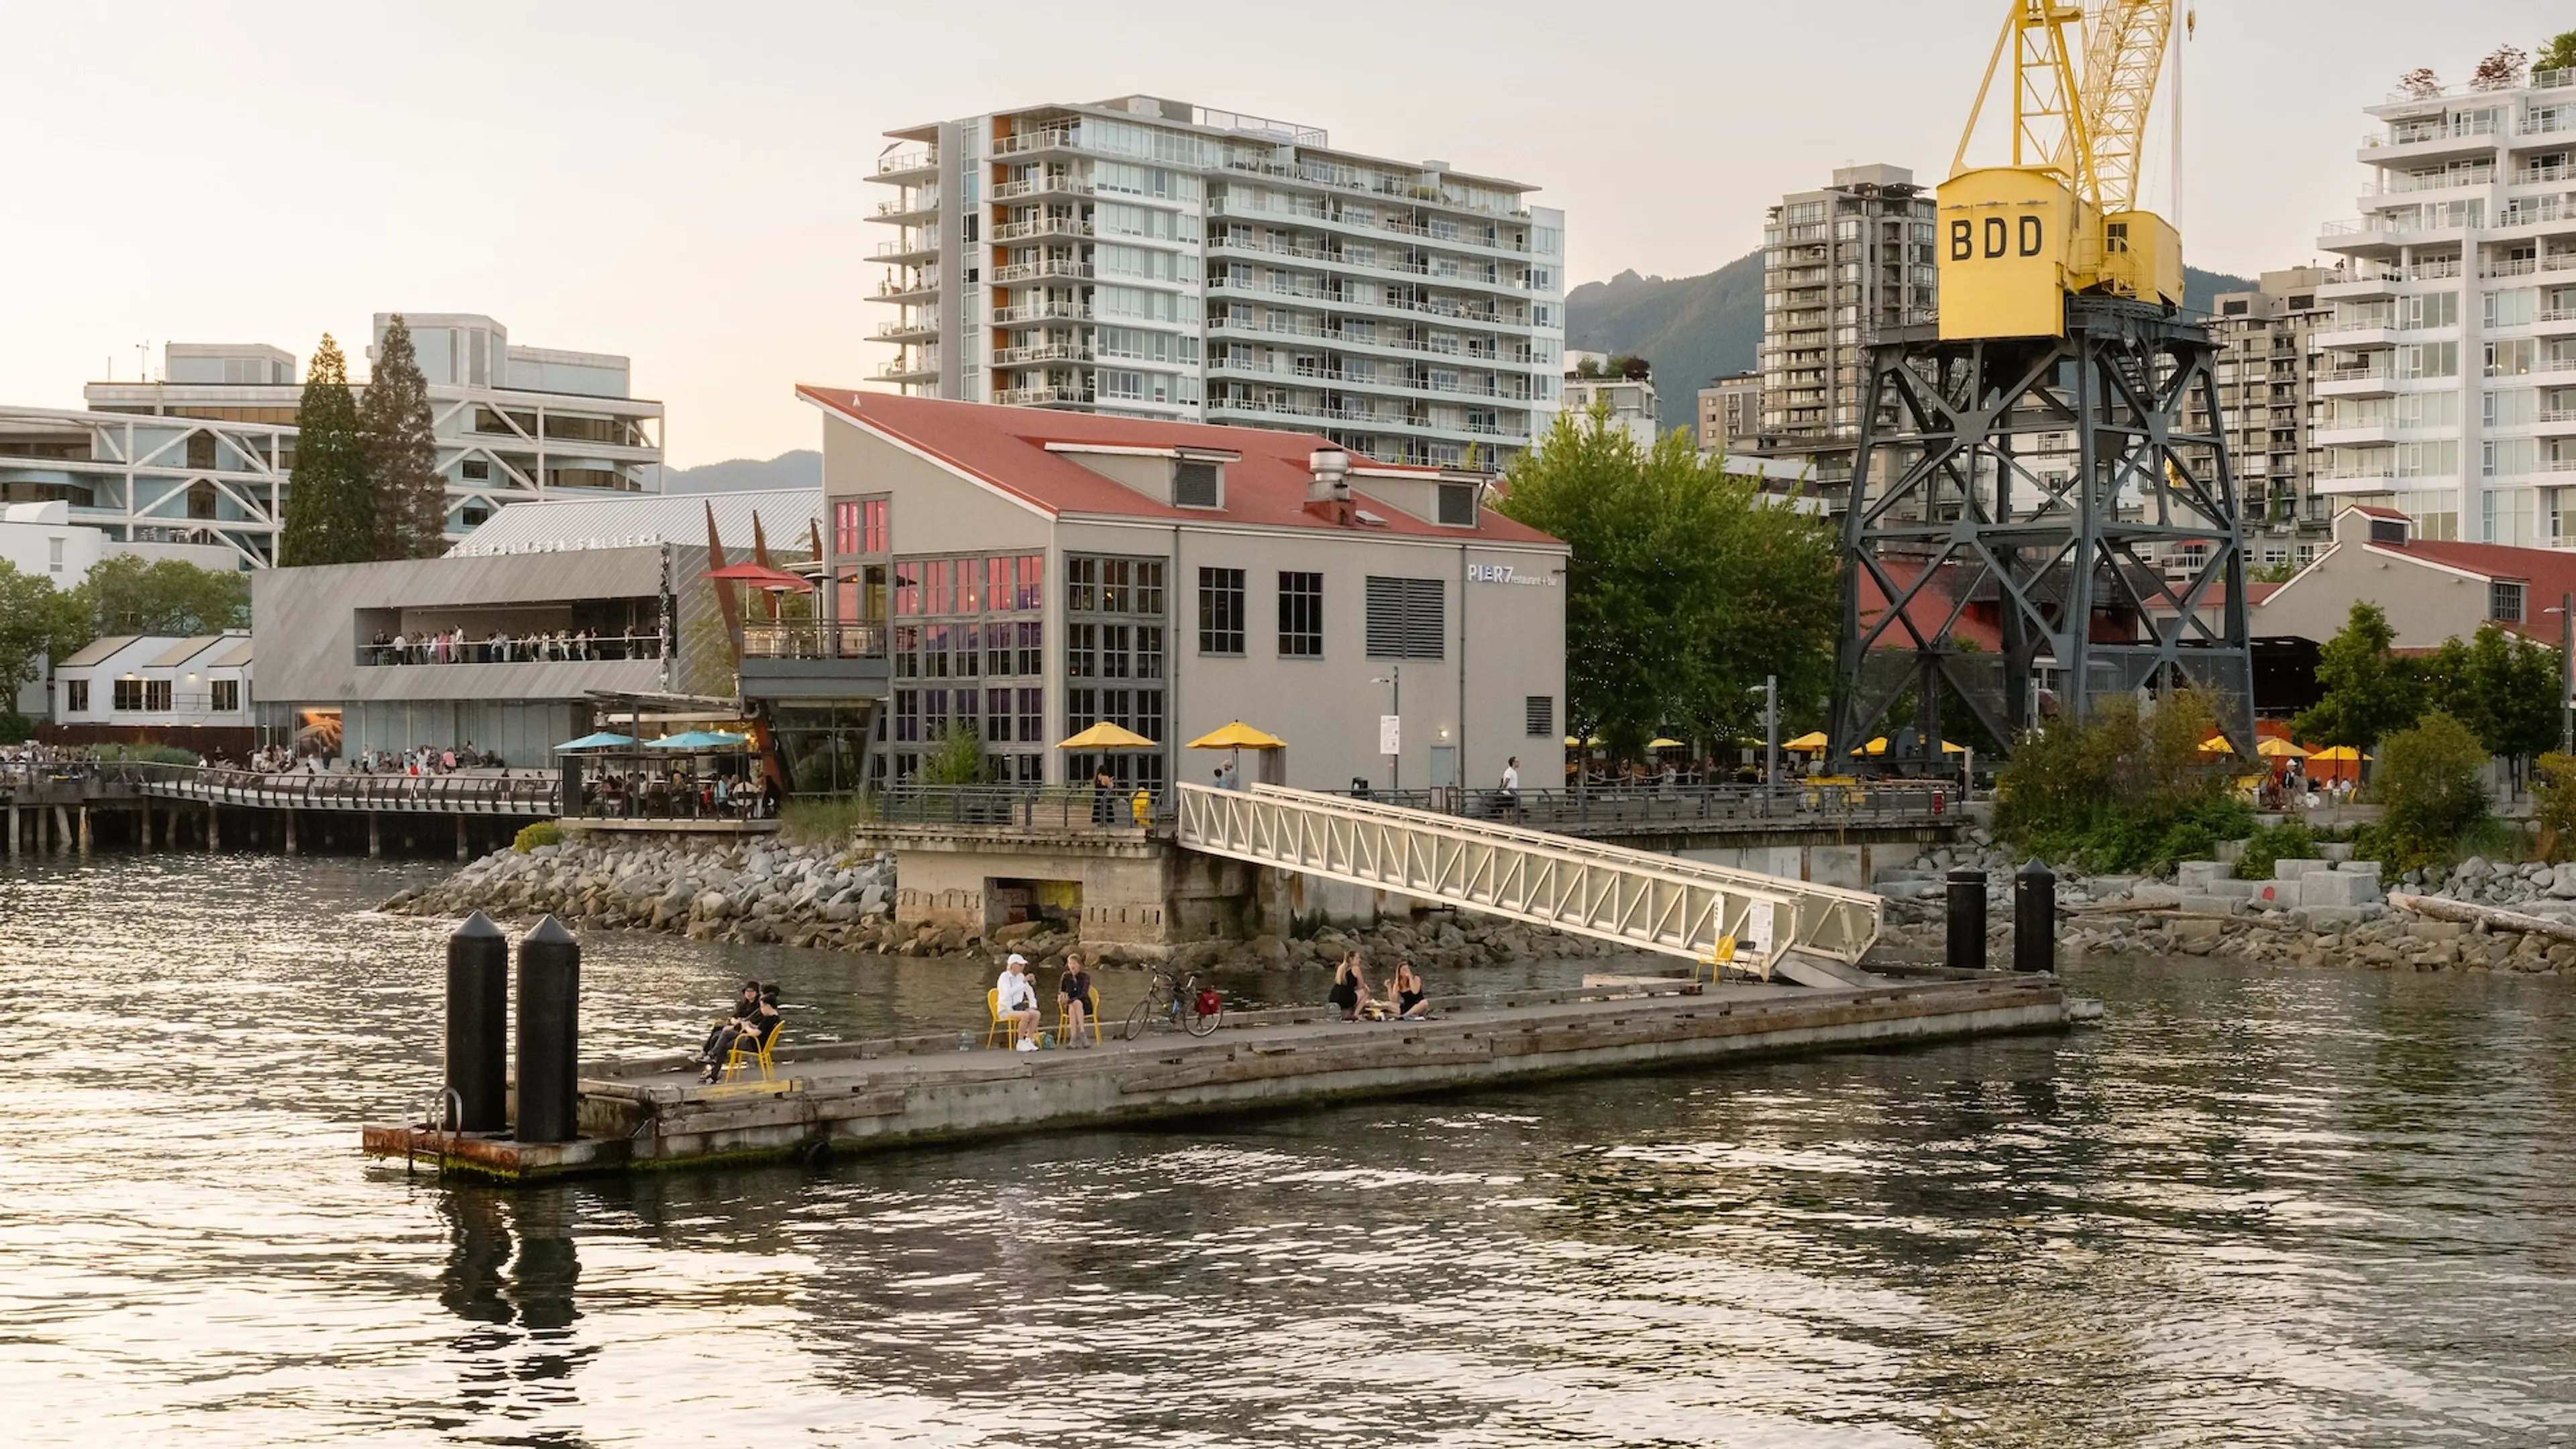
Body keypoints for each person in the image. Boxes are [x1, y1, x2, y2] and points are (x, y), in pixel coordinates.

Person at [695, 980, 764, 1072]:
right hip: (736, 1027)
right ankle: (707, 1055)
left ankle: (712, 1062)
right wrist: (736, 1022)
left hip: (743, 1032)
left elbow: (749, 1022)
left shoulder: (758, 1008)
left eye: (752, 991)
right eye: (747, 991)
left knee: (718, 1037)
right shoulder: (742, 1005)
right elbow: (733, 1018)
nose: (749, 994)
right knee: (717, 1029)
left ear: (757, 993)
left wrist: (738, 1023)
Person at [996, 953, 1042, 1051]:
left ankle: (1028, 1040)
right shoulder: (1004, 977)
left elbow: (1029, 991)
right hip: (1005, 1009)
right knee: (1025, 1016)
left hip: (1018, 1008)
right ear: (1013, 965)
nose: (1023, 967)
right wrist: (1023, 982)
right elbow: (1008, 993)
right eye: (1020, 965)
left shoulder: (1021, 976)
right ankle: (1020, 1042)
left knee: (1036, 1014)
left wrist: (1033, 1005)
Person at [1057, 951, 1095, 1047]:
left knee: (1077, 1003)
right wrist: (1061, 998)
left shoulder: (1085, 977)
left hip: (1085, 1005)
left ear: (1079, 965)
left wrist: (1070, 1001)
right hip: (1070, 1005)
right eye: (1070, 964)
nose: (1072, 966)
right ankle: (1081, 1034)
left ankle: (1074, 1039)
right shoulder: (1066, 976)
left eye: (1074, 963)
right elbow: (1061, 991)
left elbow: (1084, 994)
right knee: (1073, 1006)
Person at [1329, 950, 1375, 1022]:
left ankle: (1349, 1013)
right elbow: (1361, 985)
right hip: (1344, 999)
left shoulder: (1341, 968)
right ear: (1351, 959)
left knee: (1353, 994)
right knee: (1366, 992)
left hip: (1333, 998)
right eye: (1357, 958)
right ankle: (1355, 1015)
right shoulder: (1355, 968)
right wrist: (1366, 986)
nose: (1360, 960)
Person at [1388, 955, 1430, 1019]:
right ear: (1400, 973)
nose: (1407, 971)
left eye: (1408, 969)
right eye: (1404, 970)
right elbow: (1394, 1000)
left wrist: (1410, 978)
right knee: (1387, 1004)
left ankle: (1403, 1016)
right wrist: (1389, 987)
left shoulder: (1416, 979)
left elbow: (1415, 992)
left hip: (1418, 1005)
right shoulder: (1398, 984)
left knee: (1425, 1003)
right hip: (1407, 1007)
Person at [1498, 756, 1521, 823]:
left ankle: (1510, 821)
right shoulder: (1509, 771)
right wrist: (1503, 788)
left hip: (1512, 792)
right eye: (1517, 762)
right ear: (1513, 763)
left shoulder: (1514, 772)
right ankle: (1508, 822)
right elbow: (1507, 780)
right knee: (1508, 808)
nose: (1519, 763)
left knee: (1511, 808)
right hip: (1508, 793)